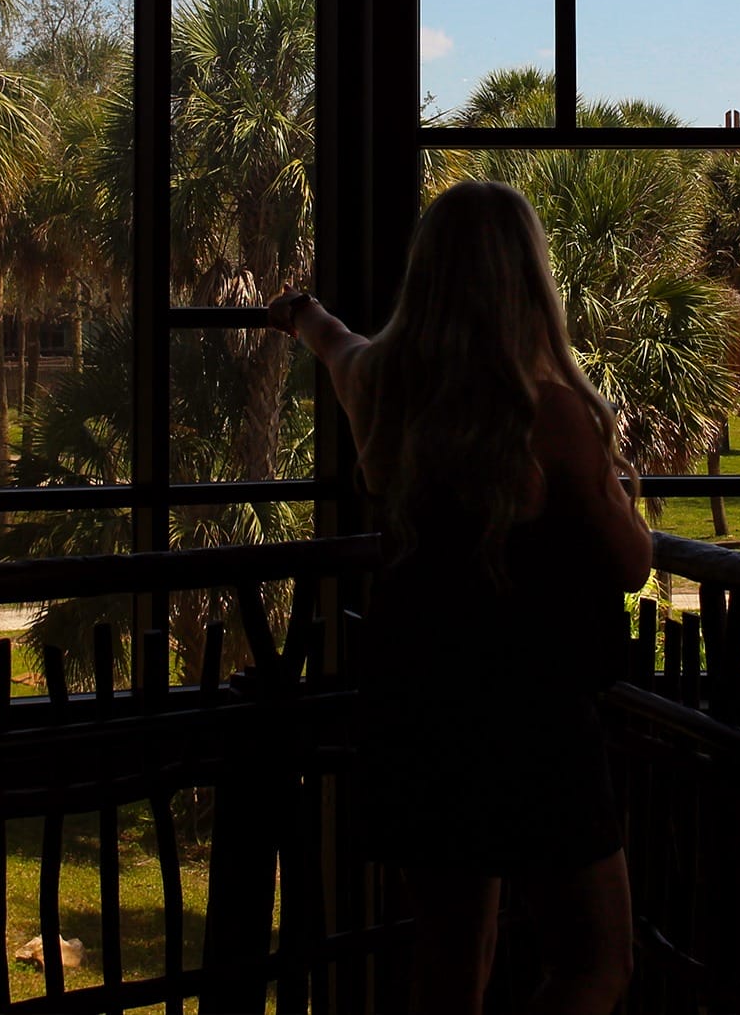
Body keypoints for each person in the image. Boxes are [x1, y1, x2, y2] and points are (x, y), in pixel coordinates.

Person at [267, 178, 652, 1015]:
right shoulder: (549, 414)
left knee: (448, 964)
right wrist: (617, 490)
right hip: (534, 716)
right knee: (594, 960)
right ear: (526, 279)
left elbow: (332, 340)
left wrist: (297, 308)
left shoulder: (380, 386)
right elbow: (632, 564)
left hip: (418, 704)